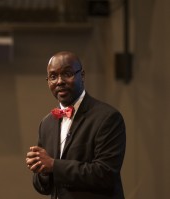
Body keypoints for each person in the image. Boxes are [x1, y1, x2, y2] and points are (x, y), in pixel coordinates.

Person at [25, 51, 126, 199]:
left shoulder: (107, 117)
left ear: (82, 76)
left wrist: (53, 165)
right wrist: (42, 170)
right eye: (53, 77)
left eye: (67, 73)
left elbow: (105, 174)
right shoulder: (47, 124)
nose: (59, 81)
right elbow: (43, 188)